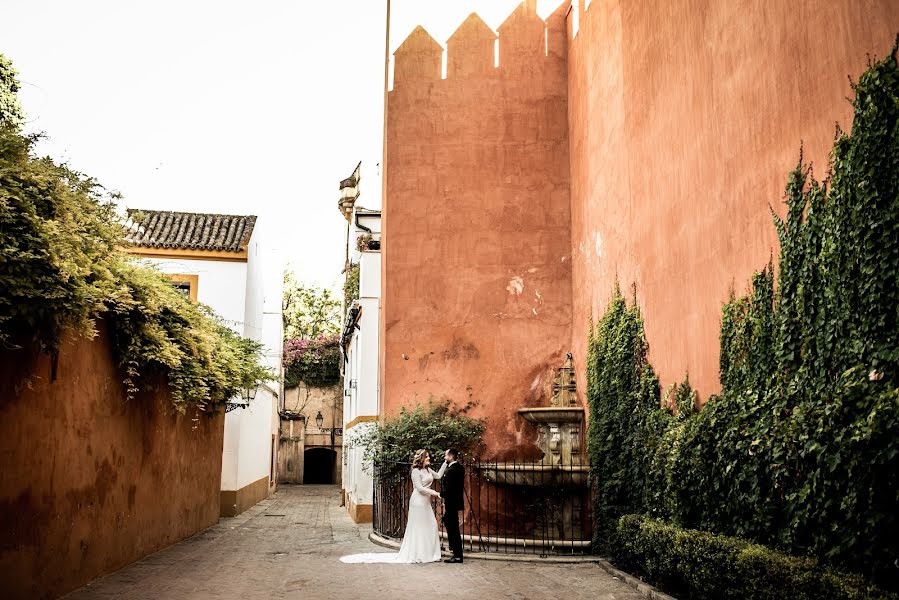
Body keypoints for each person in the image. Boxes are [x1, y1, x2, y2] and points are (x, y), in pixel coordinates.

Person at [339, 449, 447, 564]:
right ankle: (419, 554)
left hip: (425, 502)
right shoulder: (416, 471)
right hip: (418, 502)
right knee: (418, 527)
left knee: (431, 525)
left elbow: (439, 476)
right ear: (421, 459)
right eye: (427, 457)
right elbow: (419, 488)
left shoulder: (428, 469)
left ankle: (430, 554)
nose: (429, 458)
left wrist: (446, 462)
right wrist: (435, 493)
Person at [440, 448, 464, 563]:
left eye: (446, 456)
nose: (445, 458)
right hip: (454, 503)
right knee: (450, 524)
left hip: (451, 503)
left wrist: (441, 494)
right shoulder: (459, 468)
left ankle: (457, 554)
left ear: (451, 456)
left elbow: (450, 489)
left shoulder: (452, 470)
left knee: (453, 528)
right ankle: (455, 550)